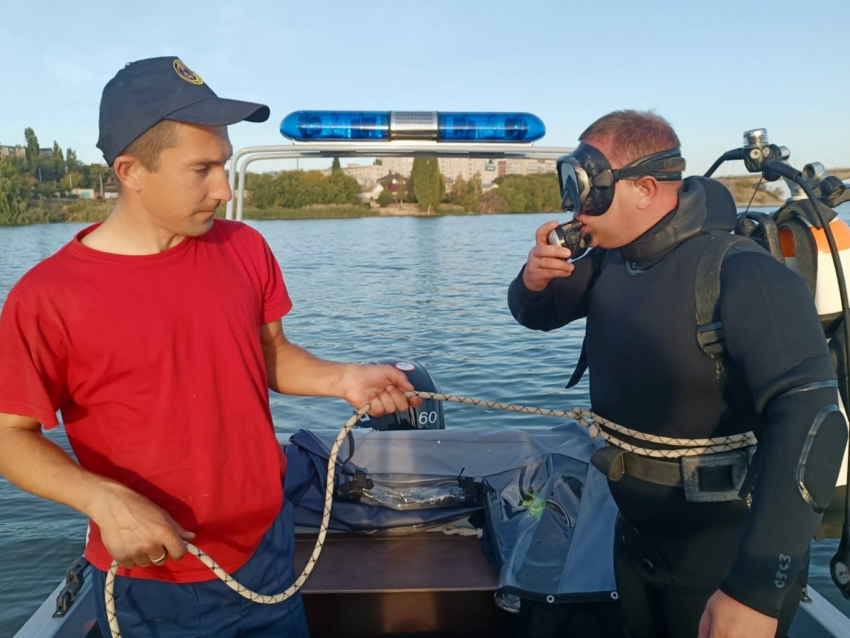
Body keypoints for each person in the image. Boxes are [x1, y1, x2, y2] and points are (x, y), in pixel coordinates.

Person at [0, 56, 421, 638]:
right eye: (201, 169)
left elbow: (269, 355)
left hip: (268, 550)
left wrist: (341, 378)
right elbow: (9, 435)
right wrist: (102, 499)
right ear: (130, 170)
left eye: (223, 164)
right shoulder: (46, 297)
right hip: (157, 578)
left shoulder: (244, 248)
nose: (224, 189)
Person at [507, 110, 848, 638]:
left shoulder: (741, 272)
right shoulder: (609, 261)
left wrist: (756, 588)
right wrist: (531, 280)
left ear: (644, 188)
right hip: (638, 540)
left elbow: (814, 419)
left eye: (585, 188)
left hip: (722, 557)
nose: (572, 207)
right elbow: (536, 315)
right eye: (569, 185)